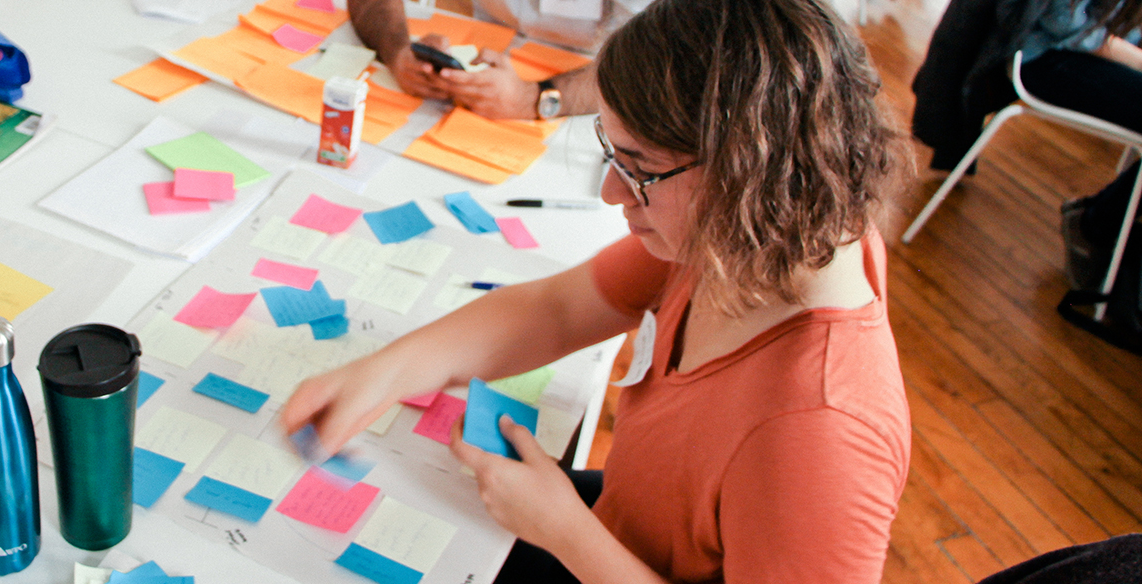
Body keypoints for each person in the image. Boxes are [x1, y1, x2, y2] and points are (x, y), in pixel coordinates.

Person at [282, 0, 913, 582]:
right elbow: (557, 309)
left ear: (749, 169)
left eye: (639, 170)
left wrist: (565, 532)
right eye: (612, 155)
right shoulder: (753, 233)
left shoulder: (821, 437)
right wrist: (385, 372)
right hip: (618, 525)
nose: (612, 192)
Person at [911, 0, 1142, 290]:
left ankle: (1102, 223)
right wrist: (1132, 56)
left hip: (1094, 50)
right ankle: (1094, 225)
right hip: (1046, 56)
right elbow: (1061, 21)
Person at [347, 0, 643, 120]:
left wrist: (532, 99)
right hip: (474, 56)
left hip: (597, 88)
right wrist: (398, 52)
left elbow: (657, 58)